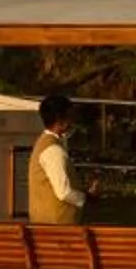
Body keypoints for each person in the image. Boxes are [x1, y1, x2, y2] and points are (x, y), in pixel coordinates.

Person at [28, 92, 89, 225]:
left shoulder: (43, 144)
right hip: (57, 227)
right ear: (61, 121)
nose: (73, 121)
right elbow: (64, 192)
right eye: (71, 116)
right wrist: (87, 198)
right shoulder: (53, 149)